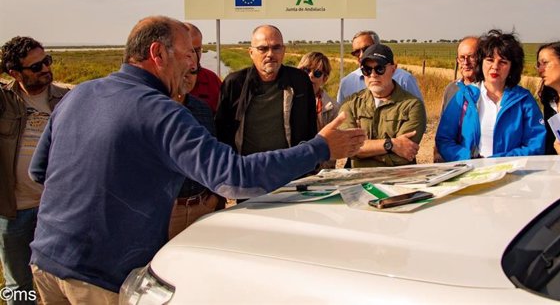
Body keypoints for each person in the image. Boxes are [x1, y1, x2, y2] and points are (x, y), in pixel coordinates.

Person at [27, 16, 365, 302]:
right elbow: (235, 175)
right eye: (188, 54)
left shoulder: (81, 93)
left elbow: (39, 171)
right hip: (98, 278)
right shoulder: (161, 112)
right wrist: (321, 147)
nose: (194, 64)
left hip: (44, 262)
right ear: (157, 53)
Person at [1, 36, 69, 305]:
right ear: (15, 72)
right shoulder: (4, 101)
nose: (45, 69)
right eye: (36, 66)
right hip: (13, 208)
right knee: (18, 282)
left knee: (58, 279)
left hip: (56, 208)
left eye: (47, 61)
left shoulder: (65, 99)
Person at [435, 29, 546, 160]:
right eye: (489, 60)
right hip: (471, 174)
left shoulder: (524, 100)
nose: (495, 66)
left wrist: (500, 161)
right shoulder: (464, 96)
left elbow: (536, 144)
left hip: (512, 175)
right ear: (481, 62)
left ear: (512, 67)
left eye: (503, 62)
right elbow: (444, 139)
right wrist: (470, 158)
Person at [215, 25, 317, 155]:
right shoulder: (235, 84)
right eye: (262, 49)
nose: (270, 54)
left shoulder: (299, 82)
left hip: (290, 167)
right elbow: (221, 131)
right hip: (247, 168)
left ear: (283, 50)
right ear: (251, 53)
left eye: (276, 48)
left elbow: (310, 128)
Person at [339, 44, 426, 167]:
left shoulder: (412, 106)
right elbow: (347, 147)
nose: (373, 75)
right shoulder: (351, 104)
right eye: (367, 70)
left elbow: (403, 156)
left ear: (393, 69)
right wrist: (391, 144)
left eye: (379, 69)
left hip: (398, 181)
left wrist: (362, 149)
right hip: (360, 182)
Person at [168, 67, 223, 240]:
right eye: (182, 70)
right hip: (168, 212)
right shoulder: (155, 109)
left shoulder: (202, 109)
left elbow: (215, 156)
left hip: (201, 206)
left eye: (192, 71)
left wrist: (213, 198)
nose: (187, 77)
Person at [336, 30, 423, 104]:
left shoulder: (404, 79)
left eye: (366, 49)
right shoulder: (347, 83)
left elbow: (418, 114)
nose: (362, 55)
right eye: (357, 52)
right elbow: (341, 117)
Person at [434, 36, 479, 162]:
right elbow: (442, 128)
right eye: (462, 58)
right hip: (452, 160)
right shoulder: (451, 89)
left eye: (471, 57)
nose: (466, 62)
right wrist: (437, 154)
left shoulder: (488, 91)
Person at [185, 23, 222, 113]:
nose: (193, 56)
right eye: (188, 51)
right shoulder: (164, 81)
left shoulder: (212, 80)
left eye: (197, 50)